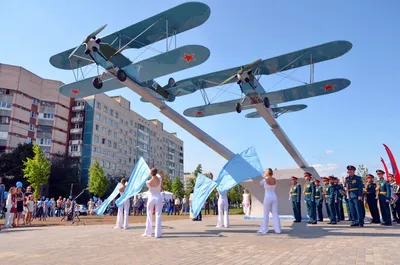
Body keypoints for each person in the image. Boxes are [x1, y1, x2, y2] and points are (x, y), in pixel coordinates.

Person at [258, 168, 281, 234]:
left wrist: (264, 177)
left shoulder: (264, 180)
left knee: (266, 214)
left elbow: (260, 183)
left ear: (267, 173)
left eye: (265, 172)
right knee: (275, 213)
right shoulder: (274, 180)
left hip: (267, 197)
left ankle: (265, 229)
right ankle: (277, 230)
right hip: (274, 197)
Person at [142, 168, 163, 238]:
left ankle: (148, 232)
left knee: (149, 214)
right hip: (158, 197)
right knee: (158, 215)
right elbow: (159, 176)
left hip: (151, 198)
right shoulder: (160, 179)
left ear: (151, 173)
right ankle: (158, 234)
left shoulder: (148, 182)